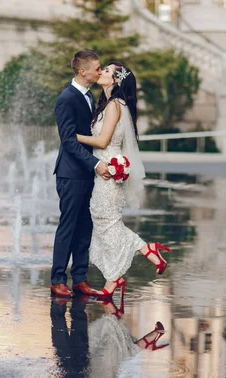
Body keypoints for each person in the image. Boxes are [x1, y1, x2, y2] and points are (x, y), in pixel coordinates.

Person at [75, 62, 171, 297]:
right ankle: (143, 253)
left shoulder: (115, 106)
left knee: (106, 220)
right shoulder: (108, 104)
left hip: (108, 171)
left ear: (116, 80)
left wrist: (73, 136)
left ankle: (114, 279)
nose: (101, 72)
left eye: (106, 71)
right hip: (104, 170)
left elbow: (102, 141)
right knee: (105, 221)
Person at [51, 50, 111, 298]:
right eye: (97, 68)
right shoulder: (66, 98)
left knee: (85, 226)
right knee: (68, 226)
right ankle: (57, 280)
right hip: (71, 173)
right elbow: (68, 140)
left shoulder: (89, 96)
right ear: (82, 71)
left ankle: (80, 279)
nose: (100, 71)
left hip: (86, 173)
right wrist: (95, 164)